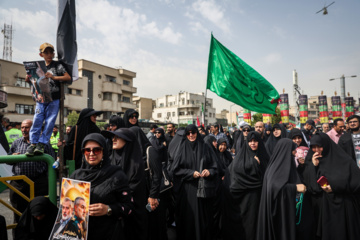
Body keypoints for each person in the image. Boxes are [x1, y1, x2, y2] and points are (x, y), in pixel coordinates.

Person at [70, 133, 133, 240]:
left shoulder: (116, 175)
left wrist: (108, 209)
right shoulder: (76, 175)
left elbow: (129, 207)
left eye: (97, 150)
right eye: (87, 150)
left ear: (104, 152)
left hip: (108, 233)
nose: (91, 153)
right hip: (79, 234)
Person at [303, 132, 360, 240]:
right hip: (326, 209)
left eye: (319, 147)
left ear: (326, 145)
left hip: (344, 206)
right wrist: (313, 167)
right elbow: (312, 187)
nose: (316, 150)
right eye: (313, 147)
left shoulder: (345, 161)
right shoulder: (314, 162)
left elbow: (356, 183)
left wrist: (334, 187)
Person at [8, 119, 55, 234]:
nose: (24, 130)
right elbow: (8, 159)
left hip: (38, 183)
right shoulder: (16, 143)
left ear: (34, 129)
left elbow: (52, 160)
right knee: (18, 214)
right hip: (18, 185)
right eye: (22, 127)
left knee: (39, 214)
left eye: (27, 127)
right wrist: (12, 157)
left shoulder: (42, 144)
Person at [171, 124, 217, 240]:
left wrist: (209, 172)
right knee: (189, 219)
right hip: (187, 189)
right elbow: (175, 169)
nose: (191, 135)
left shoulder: (205, 147)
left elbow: (215, 167)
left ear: (197, 133)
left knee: (203, 218)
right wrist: (191, 173)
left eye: (193, 132)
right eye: (188, 133)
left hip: (203, 189)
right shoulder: (181, 148)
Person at [25, 43, 71, 156]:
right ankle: (33, 144)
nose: (49, 54)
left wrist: (53, 77)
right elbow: (30, 80)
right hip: (41, 98)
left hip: (54, 98)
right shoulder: (37, 66)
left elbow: (67, 77)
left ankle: (42, 143)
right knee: (37, 120)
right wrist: (28, 77)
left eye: (51, 52)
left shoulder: (57, 65)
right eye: (46, 52)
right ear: (41, 54)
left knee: (50, 121)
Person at [102, 128, 148, 240]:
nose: (114, 139)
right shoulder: (109, 160)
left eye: (118, 137)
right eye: (113, 137)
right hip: (111, 214)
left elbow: (132, 190)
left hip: (132, 215)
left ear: (127, 141)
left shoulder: (136, 165)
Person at [256, 139, 307, 240]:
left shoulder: (286, 164)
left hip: (288, 211)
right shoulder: (275, 169)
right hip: (279, 216)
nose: (295, 153)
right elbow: (274, 188)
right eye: (293, 151)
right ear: (286, 151)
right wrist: (295, 188)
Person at [223, 131, 269, 240]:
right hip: (243, 199)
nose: (253, 143)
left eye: (255, 141)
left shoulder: (264, 157)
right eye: (250, 141)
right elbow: (233, 176)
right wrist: (252, 164)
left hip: (258, 198)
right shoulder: (241, 157)